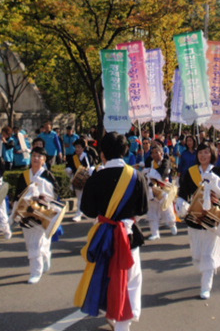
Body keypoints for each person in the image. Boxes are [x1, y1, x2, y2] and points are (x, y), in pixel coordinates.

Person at [74, 132, 148, 331]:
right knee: (131, 278)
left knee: (107, 276)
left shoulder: (96, 178)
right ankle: (126, 321)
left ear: (102, 153)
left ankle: (113, 315)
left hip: (104, 237)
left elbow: (88, 211)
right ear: (126, 151)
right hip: (129, 236)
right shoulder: (136, 176)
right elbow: (142, 210)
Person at [176, 142, 220, 300]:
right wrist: (181, 204)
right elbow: (183, 193)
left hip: (212, 216)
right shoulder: (190, 172)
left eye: (206, 152)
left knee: (209, 252)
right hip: (194, 217)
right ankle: (207, 272)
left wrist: (215, 184)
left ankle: (206, 286)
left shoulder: (218, 171)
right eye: (200, 153)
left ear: (212, 154)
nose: (203, 156)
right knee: (198, 253)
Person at [12, 147, 60, 284]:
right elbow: (17, 195)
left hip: (41, 213)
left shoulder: (47, 175)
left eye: (39, 156)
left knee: (36, 243)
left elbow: (55, 193)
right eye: (34, 155)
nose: (36, 158)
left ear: (44, 159)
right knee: (30, 243)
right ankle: (45, 255)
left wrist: (43, 195)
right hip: (26, 213)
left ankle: (35, 272)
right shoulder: (24, 175)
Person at [143, 144, 177, 240]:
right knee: (152, 210)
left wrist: (150, 172)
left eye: (156, 152)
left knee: (166, 208)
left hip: (163, 188)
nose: (154, 155)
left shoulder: (165, 162)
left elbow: (161, 175)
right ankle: (155, 233)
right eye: (152, 153)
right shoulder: (150, 162)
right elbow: (146, 174)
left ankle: (171, 224)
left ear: (161, 153)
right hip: (152, 189)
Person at [65, 138, 95, 222]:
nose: (77, 149)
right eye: (76, 147)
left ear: (83, 148)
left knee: (86, 197)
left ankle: (83, 212)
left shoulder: (87, 156)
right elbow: (70, 166)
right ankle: (79, 213)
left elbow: (90, 167)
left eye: (79, 147)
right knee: (79, 197)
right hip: (77, 180)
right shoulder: (73, 157)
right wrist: (69, 170)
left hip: (86, 179)